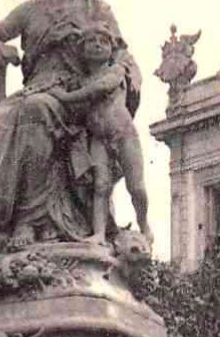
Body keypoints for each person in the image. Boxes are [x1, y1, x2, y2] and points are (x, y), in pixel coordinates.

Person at [0, 0, 143, 252]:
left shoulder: (97, 9)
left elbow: (122, 54)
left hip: (77, 94)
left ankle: (30, 221)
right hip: (36, 87)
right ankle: (3, 217)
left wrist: (124, 72)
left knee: (36, 111)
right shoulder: (33, 9)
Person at [47, 23, 151, 246]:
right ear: (82, 49)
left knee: (137, 187)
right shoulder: (79, 82)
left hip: (123, 134)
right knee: (100, 186)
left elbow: (101, 88)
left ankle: (144, 225)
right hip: (98, 139)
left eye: (103, 42)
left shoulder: (116, 71)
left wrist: (65, 97)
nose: (97, 45)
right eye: (92, 41)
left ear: (111, 50)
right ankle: (99, 234)